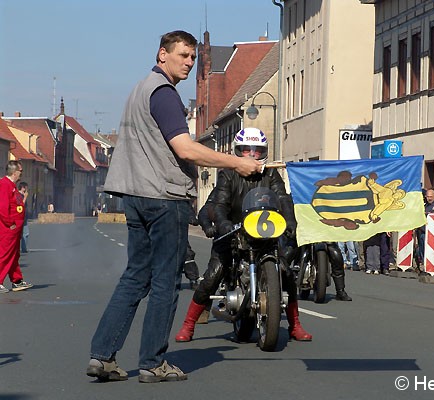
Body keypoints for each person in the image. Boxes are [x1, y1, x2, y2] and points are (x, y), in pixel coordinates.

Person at [87, 31, 262, 384]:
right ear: (162, 54)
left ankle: (102, 356)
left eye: (193, 58)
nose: (188, 62)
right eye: (183, 55)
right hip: (163, 198)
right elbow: (185, 149)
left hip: (135, 196)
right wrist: (236, 163)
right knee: (165, 281)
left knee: (136, 277)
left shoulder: (140, 89)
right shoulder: (164, 95)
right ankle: (153, 362)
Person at [174, 127, 313, 344]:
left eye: (257, 150)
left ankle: (295, 324)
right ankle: (188, 324)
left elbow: (283, 198)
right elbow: (219, 204)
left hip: (266, 233)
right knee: (213, 274)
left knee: (285, 272)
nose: (251, 154)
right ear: (238, 151)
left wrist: (290, 220)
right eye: (246, 149)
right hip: (234, 232)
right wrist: (223, 223)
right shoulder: (228, 174)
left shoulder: (270, 173)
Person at [0, 161, 33, 294]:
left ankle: (16, 280)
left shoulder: (12, 186)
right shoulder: (4, 185)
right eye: (21, 171)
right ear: (14, 172)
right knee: (5, 254)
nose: (22, 173)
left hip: (15, 228)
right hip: (8, 228)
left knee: (14, 254)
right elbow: (2, 207)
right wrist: (10, 223)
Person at [18, 182, 30, 253]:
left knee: (25, 233)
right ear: (23, 188)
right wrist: (25, 197)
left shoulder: (22, 195)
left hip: (24, 218)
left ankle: (24, 248)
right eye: (26, 188)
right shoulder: (18, 195)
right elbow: (20, 206)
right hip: (19, 218)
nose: (27, 189)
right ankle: (22, 248)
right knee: (22, 234)